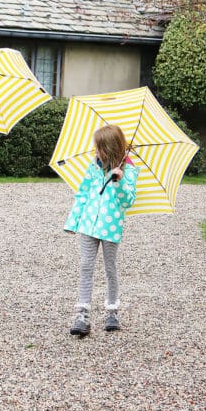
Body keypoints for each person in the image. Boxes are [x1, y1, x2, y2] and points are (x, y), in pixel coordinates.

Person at [64, 124, 138, 337]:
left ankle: (112, 311)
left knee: (110, 267)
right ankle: (82, 315)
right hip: (88, 224)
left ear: (110, 148)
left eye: (99, 148)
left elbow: (128, 201)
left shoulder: (129, 170)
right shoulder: (94, 167)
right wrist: (73, 221)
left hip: (111, 227)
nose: (95, 151)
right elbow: (83, 193)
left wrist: (119, 181)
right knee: (86, 266)